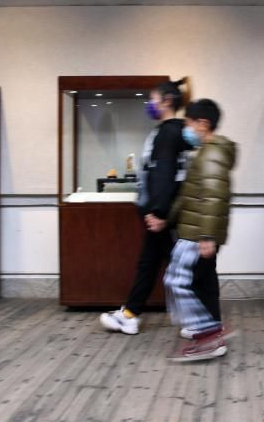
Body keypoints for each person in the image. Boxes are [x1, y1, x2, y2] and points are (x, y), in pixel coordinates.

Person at [100, 78, 191, 335]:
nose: (149, 104)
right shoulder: (173, 131)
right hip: (162, 212)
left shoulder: (167, 133)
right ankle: (131, 314)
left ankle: (198, 321)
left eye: (153, 99)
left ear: (167, 101)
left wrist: (158, 213)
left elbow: (164, 174)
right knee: (152, 263)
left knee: (167, 265)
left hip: (161, 214)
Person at [157, 99, 237, 361]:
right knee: (201, 282)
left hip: (198, 233)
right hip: (196, 230)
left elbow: (214, 197)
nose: (186, 129)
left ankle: (209, 335)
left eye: (188, 123)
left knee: (179, 281)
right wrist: (168, 218)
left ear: (203, 124)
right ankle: (208, 329)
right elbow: (190, 194)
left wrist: (207, 237)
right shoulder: (206, 152)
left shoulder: (211, 154)